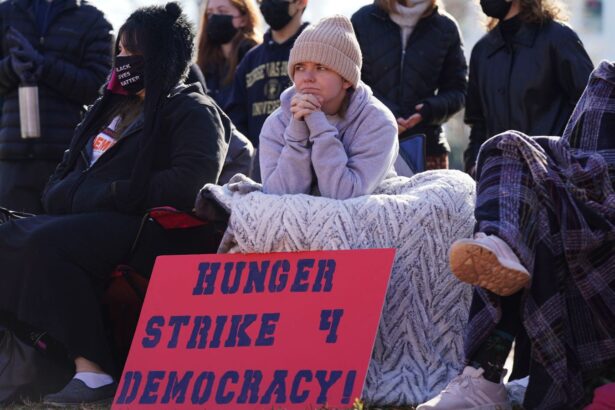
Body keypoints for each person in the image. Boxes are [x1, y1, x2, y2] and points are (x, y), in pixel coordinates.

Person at [0, 3, 230, 405]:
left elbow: (190, 183)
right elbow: (63, 176)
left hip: (145, 227)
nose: (121, 61)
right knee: (7, 232)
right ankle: (40, 355)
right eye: (119, 52)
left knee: (48, 243)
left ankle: (95, 370)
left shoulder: (193, 109)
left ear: (162, 56)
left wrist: (111, 192)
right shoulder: (110, 109)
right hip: (90, 218)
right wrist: (72, 194)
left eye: (132, 53)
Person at [418, 61, 615, 409]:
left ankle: (486, 375)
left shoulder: (560, 41)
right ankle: (501, 242)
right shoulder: (607, 80)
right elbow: (584, 166)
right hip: (588, 224)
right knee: (507, 151)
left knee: (538, 220)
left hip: (599, 241)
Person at [259, 15, 398, 199]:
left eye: (321, 67)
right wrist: (297, 134)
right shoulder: (277, 123)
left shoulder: (377, 121)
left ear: (347, 79)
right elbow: (277, 199)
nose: (307, 77)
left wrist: (319, 126)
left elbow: (344, 195)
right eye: (300, 67)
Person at [0, 0, 113, 213]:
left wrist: (44, 66)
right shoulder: (6, 12)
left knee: (57, 240)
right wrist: (10, 68)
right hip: (12, 158)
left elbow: (100, 87)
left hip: (66, 160)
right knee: (9, 238)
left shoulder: (92, 20)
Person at [463, 0, 593, 176]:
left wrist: (566, 164)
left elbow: (590, 108)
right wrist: (474, 166)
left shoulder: (559, 38)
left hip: (554, 180)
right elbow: (477, 122)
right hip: (500, 183)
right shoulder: (482, 51)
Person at [351, 0, 467, 171]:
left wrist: (428, 110)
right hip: (369, 143)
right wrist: (385, 114)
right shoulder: (363, 20)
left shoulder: (446, 28)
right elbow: (349, 80)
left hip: (428, 147)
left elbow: (459, 90)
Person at [225, 0, 309, 182]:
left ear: (301, 3)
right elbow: (236, 119)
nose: (266, 4)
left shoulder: (315, 54)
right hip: (259, 170)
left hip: (306, 165)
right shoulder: (250, 59)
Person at [196, 0, 261, 108]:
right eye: (210, 13)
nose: (215, 17)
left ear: (243, 19)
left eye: (222, 11)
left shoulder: (255, 57)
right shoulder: (205, 62)